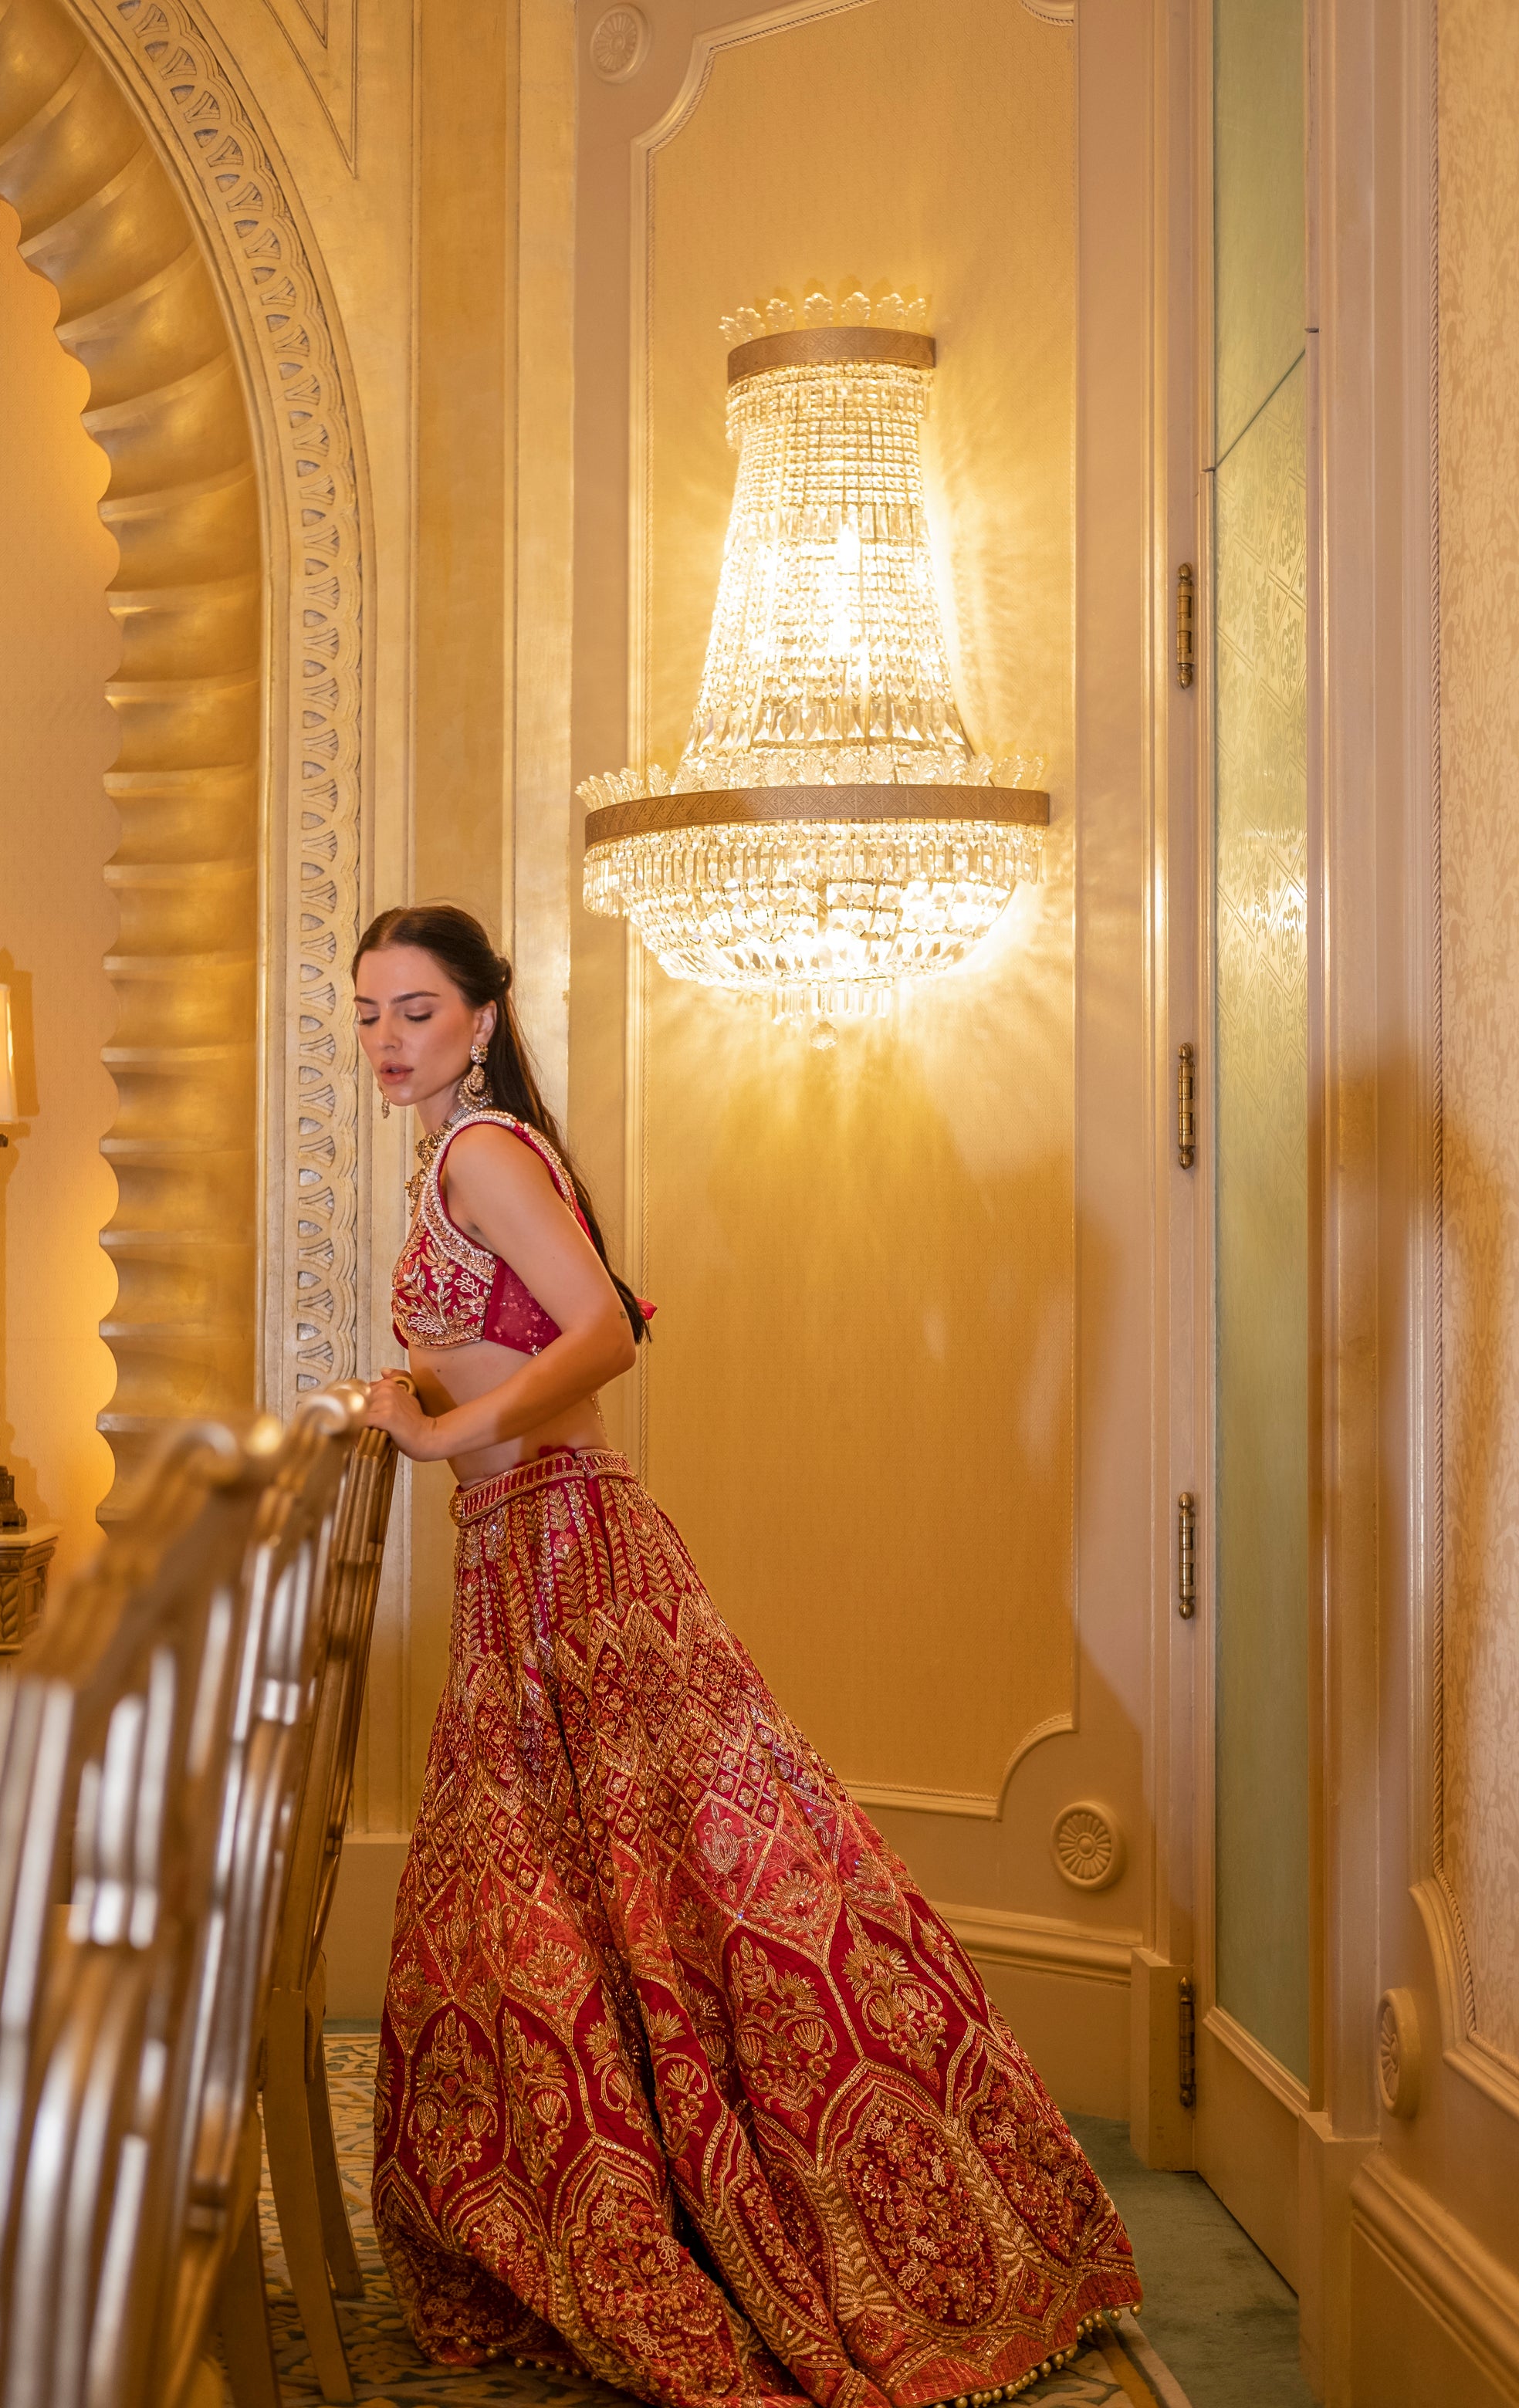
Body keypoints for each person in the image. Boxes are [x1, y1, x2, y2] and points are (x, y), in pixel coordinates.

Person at [360, 901, 1141, 2408]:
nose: (389, 1039)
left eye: (415, 1010)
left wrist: (439, 1427)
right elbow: (532, 1330)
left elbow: (600, 1335)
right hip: (534, 1548)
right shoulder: (470, 1153)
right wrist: (417, 1390)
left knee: (688, 1882)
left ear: (479, 1015)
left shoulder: (484, 1153)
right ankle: (635, 2201)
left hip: (565, 1546)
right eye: (369, 1012)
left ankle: (778, 2211)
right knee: (639, 1888)